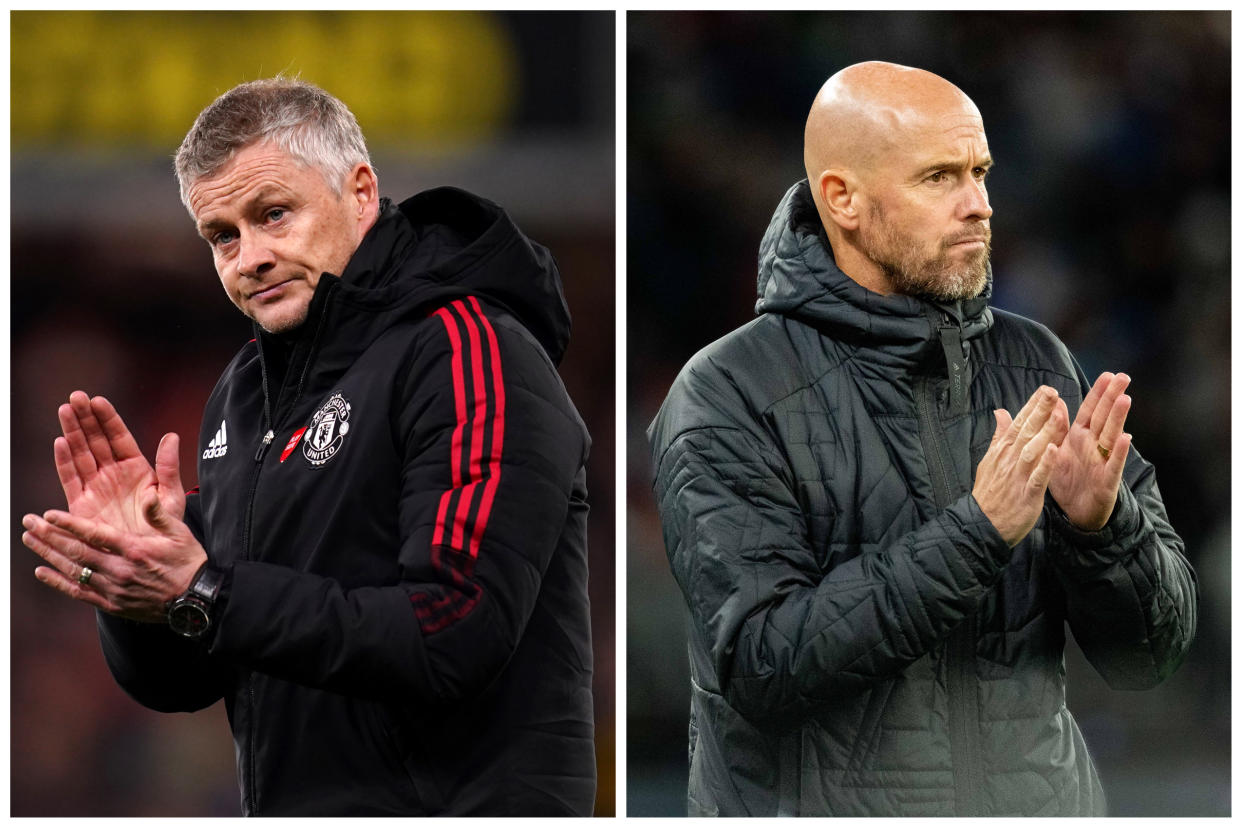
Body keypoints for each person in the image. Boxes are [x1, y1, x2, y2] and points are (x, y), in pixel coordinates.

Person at [20, 77, 596, 817]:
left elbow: (452, 632)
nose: (248, 257)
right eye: (222, 235)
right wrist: (145, 591)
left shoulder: (467, 349)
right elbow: (196, 679)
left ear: (359, 192)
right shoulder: (244, 393)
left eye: (274, 215)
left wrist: (206, 592)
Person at [647, 61, 1195, 817]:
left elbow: (1151, 657)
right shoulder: (729, 392)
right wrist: (977, 534)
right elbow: (761, 666)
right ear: (843, 199)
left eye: (981, 172)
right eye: (940, 178)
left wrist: (1106, 530)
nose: (979, 206)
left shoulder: (1037, 363)